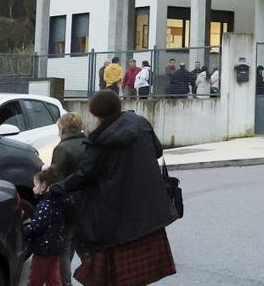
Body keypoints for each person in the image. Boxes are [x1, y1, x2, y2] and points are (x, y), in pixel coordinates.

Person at [50, 90, 177, 286]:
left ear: (95, 114)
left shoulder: (100, 141)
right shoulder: (140, 123)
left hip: (117, 214)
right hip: (147, 208)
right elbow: (157, 151)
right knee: (138, 274)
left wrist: (56, 187)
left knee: (115, 277)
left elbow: (85, 175)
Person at [49, 114, 85, 286]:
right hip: (87, 204)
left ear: (63, 129)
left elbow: (55, 178)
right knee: (84, 247)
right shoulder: (88, 143)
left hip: (69, 205)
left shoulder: (62, 149)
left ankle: (65, 283)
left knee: (64, 247)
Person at [24, 167, 72, 286]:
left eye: (35, 185)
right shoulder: (59, 201)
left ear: (44, 185)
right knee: (53, 278)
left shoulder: (45, 204)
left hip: (42, 249)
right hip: (55, 246)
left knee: (36, 278)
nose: (33, 188)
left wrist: (24, 230)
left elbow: (37, 227)